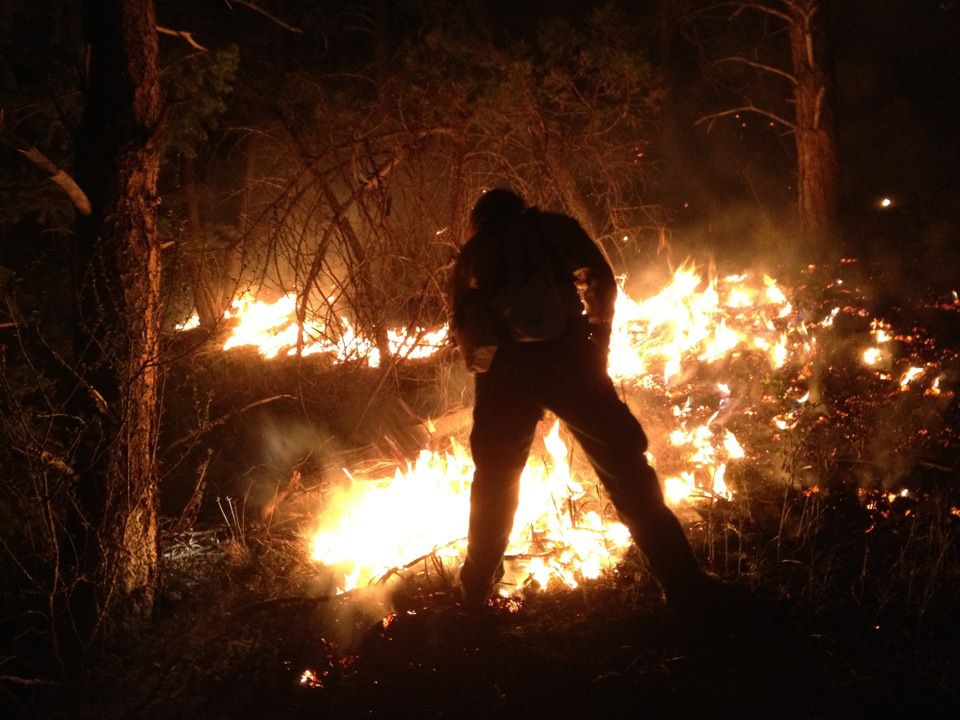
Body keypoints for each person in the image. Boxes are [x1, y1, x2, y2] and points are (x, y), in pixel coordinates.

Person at [449, 188, 714, 612]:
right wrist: (598, 342)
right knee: (626, 469)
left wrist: (489, 369)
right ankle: (684, 583)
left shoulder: (475, 249)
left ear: (481, 218)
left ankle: (475, 590)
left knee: (495, 481)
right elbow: (601, 280)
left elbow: (463, 321)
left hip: (505, 373)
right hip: (569, 358)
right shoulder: (553, 228)